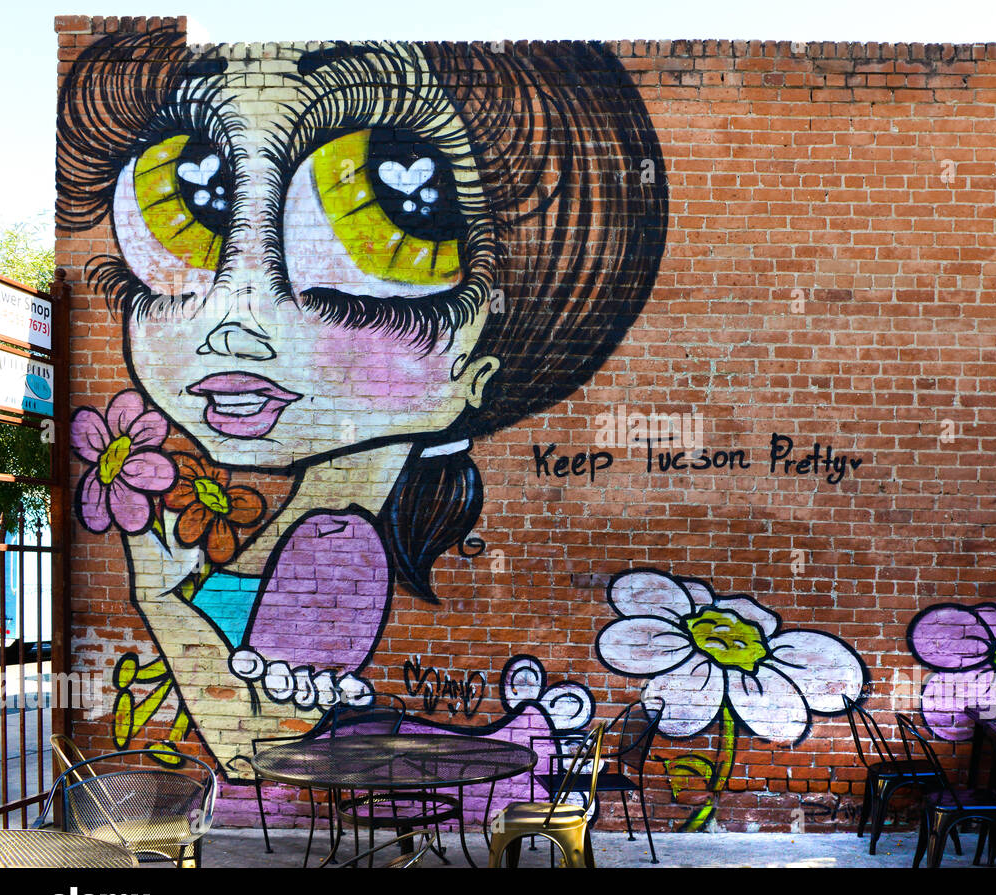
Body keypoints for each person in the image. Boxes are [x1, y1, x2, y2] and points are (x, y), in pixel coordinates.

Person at [59, 33, 668, 771]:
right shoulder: (299, 531)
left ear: (481, 369)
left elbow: (257, 750)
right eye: (187, 205)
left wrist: (158, 594)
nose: (235, 318)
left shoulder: (337, 547)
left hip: (369, 804)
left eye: (383, 220)